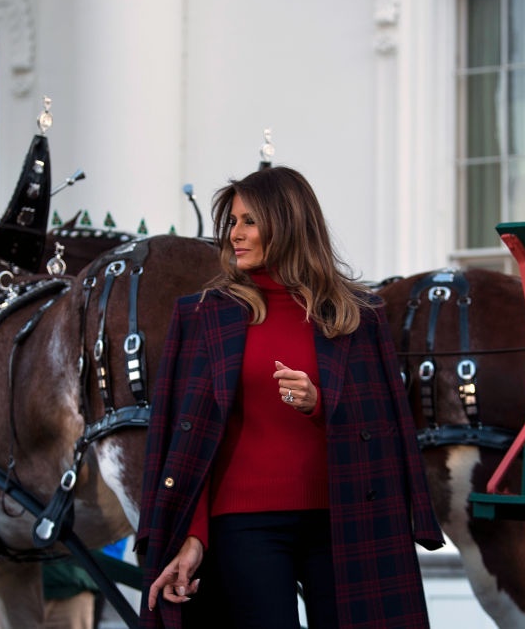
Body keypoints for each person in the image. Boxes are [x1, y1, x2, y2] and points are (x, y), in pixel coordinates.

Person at [136, 166, 444, 629]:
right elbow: (185, 441)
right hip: (243, 524)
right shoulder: (201, 315)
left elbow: (386, 428)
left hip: (342, 521)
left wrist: (319, 402)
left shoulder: (358, 315)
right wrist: (192, 533)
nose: (234, 235)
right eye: (232, 222)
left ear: (287, 224)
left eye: (248, 222)